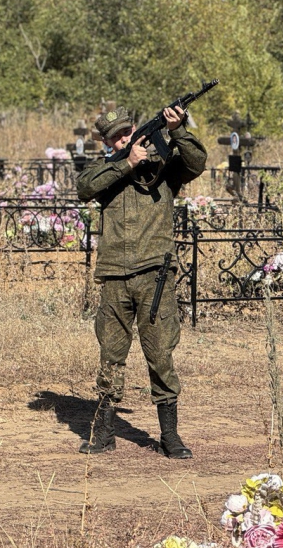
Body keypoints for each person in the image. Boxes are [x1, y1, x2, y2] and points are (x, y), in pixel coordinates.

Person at [77, 105, 206, 459]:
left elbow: (196, 163)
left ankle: (170, 435)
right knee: (111, 355)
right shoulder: (108, 169)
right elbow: (85, 187)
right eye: (115, 136)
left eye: (126, 132)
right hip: (116, 277)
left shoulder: (162, 167)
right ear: (106, 142)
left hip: (155, 275)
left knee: (160, 354)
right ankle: (103, 432)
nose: (123, 139)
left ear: (136, 129)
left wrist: (177, 131)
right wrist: (126, 162)